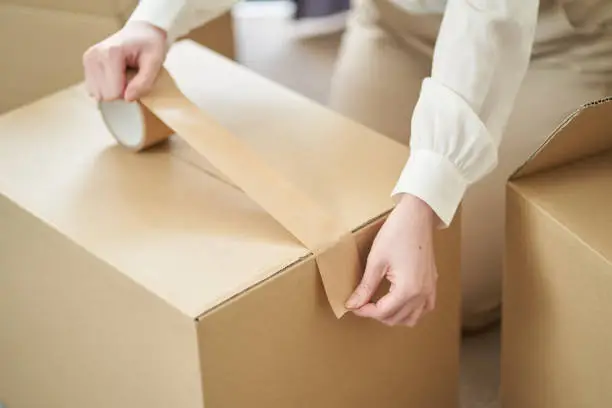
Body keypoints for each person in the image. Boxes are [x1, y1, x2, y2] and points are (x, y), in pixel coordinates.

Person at [83, 0, 612, 330]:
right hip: (397, 22)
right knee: (355, 227)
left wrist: (427, 197)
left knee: (456, 295)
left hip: (549, 35)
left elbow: (488, 26)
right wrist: (156, 21)